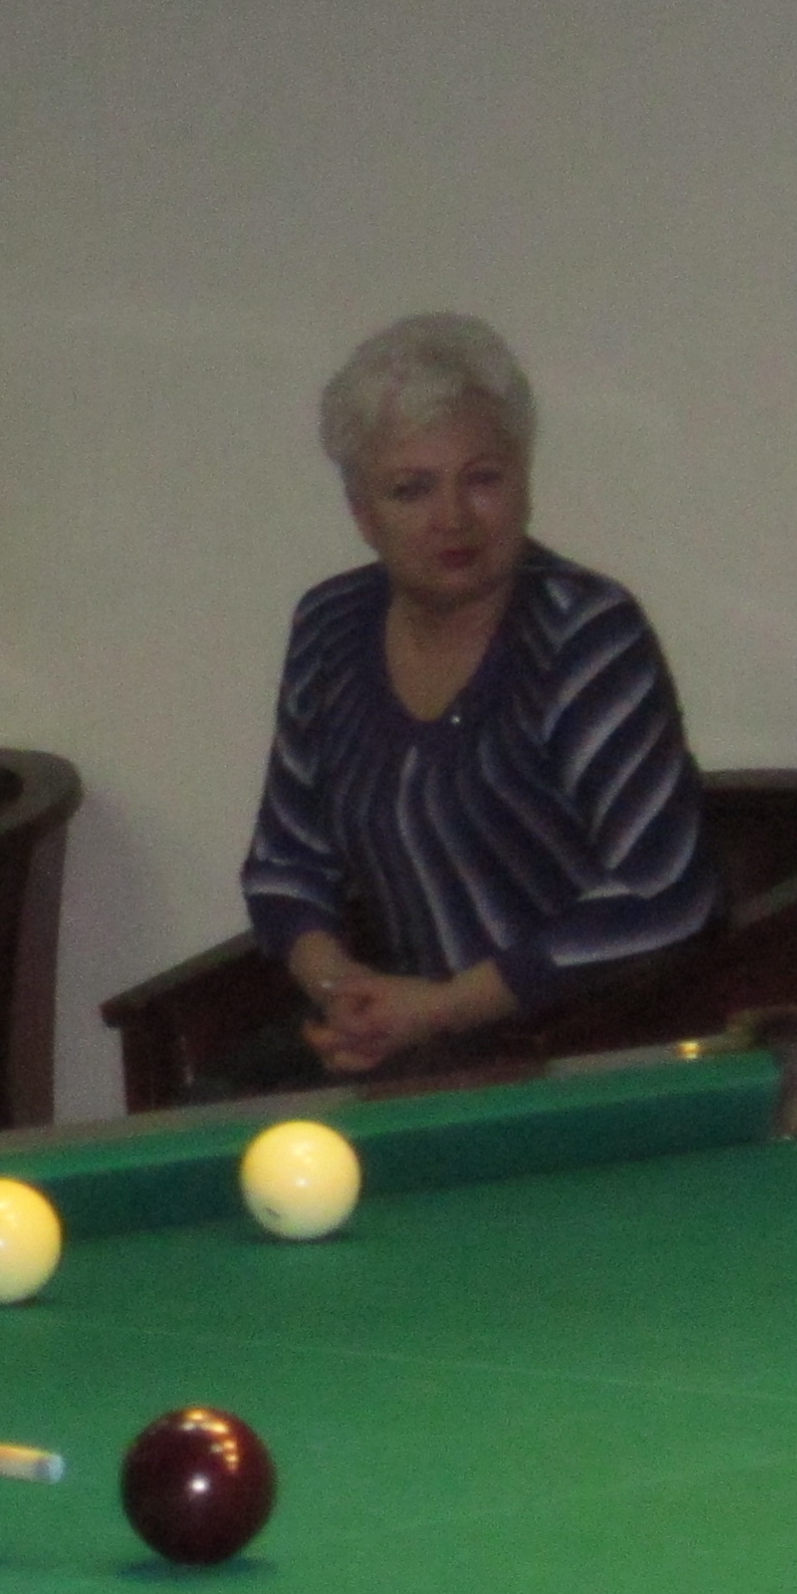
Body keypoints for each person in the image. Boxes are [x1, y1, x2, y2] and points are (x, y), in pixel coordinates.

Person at [238, 314, 721, 1081]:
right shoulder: (329, 626)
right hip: (399, 1048)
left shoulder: (585, 632)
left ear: (523, 482)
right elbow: (286, 862)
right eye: (412, 489)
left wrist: (444, 1008)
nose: (454, 519)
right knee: (215, 1115)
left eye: (482, 479)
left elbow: (661, 891)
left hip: (576, 1047)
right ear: (363, 514)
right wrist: (344, 994)